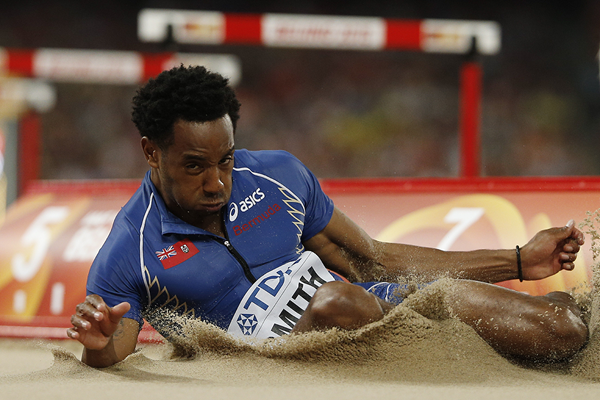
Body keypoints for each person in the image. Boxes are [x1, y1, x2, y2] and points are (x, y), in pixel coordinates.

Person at [67, 65, 588, 368]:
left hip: (376, 308)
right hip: (286, 361)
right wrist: (97, 347)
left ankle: (563, 310)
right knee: (338, 302)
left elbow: (374, 260)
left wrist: (519, 260)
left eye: (226, 159)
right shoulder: (129, 249)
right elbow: (117, 346)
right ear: (151, 153)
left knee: (564, 332)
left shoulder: (278, 176)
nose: (218, 182)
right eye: (195, 166)